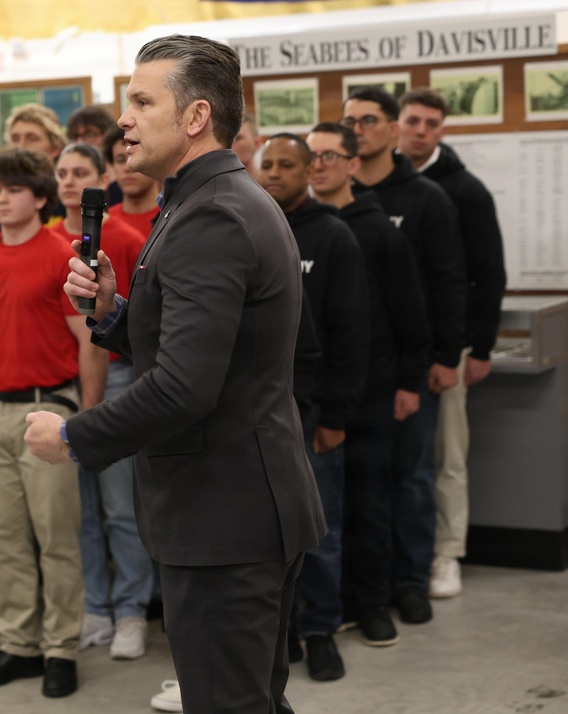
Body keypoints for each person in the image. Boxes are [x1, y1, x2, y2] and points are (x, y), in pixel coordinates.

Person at [25, 35, 326, 713]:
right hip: (240, 507)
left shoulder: (211, 214)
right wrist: (113, 311)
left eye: (140, 101)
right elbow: (213, 346)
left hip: (224, 515)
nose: (123, 119)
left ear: (194, 117)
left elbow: (186, 385)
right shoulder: (210, 200)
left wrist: (74, 437)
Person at [0, 147, 106, 699]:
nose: (0, 198)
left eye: (13, 189)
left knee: (56, 537)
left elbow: (88, 343)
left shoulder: (59, 256)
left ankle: (61, 647)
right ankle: (17, 643)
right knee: (3, 538)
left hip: (49, 407)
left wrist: (88, 420)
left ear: (40, 198)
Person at [342, 87, 466, 625]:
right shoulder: (332, 202)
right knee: (357, 485)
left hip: (408, 369)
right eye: (350, 122)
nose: (358, 130)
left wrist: (440, 359)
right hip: (351, 375)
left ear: (391, 129)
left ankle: (410, 579)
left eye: (369, 121)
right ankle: (359, 586)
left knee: (410, 476)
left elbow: (447, 284)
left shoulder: (425, 198)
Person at [306, 122, 430, 650]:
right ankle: (323, 613)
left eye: (330, 155)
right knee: (321, 518)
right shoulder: (295, 227)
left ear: (353, 165)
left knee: (371, 505)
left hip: (375, 393)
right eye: (312, 156)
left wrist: (408, 383)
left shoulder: (379, 231)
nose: (319, 165)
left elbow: (409, 313)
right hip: (317, 396)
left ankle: (372, 602)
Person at [260, 133, 369, 683]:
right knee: (272, 536)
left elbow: (352, 334)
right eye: (267, 165)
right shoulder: (253, 228)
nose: (274, 173)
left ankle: (322, 628)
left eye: (286, 164)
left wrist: (335, 416)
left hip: (313, 410)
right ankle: (286, 633)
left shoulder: (333, 236)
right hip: (261, 413)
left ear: (309, 169)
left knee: (320, 530)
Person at [396, 88, 507, 600]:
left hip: (449, 349)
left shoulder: (467, 191)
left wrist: (477, 350)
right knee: (401, 461)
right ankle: (401, 557)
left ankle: (447, 554)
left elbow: (488, 274)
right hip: (393, 351)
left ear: (442, 131)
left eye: (431, 123)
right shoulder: (377, 184)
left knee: (447, 456)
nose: (420, 130)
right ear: (399, 124)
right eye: (413, 120)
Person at [50, 142, 153, 659]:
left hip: (115, 379)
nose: (70, 182)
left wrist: (100, 399)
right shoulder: (48, 239)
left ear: (104, 179)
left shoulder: (131, 239)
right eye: (62, 173)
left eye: (81, 173)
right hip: (60, 386)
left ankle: (132, 608)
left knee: (119, 507)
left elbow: (126, 324)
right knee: (80, 511)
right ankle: (96, 605)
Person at [103, 126, 162, 238]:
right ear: (112, 166)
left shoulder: (171, 217)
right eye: (120, 160)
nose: (128, 167)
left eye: (136, 156)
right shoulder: (103, 221)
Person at [67, 105, 124, 206]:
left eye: (89, 135)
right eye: (75, 137)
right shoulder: (68, 182)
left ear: (107, 135)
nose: (80, 142)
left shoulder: (123, 178)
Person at [231, 111, 264, 182]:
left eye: (237, 139)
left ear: (257, 143)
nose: (228, 145)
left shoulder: (270, 187)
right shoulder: (214, 187)